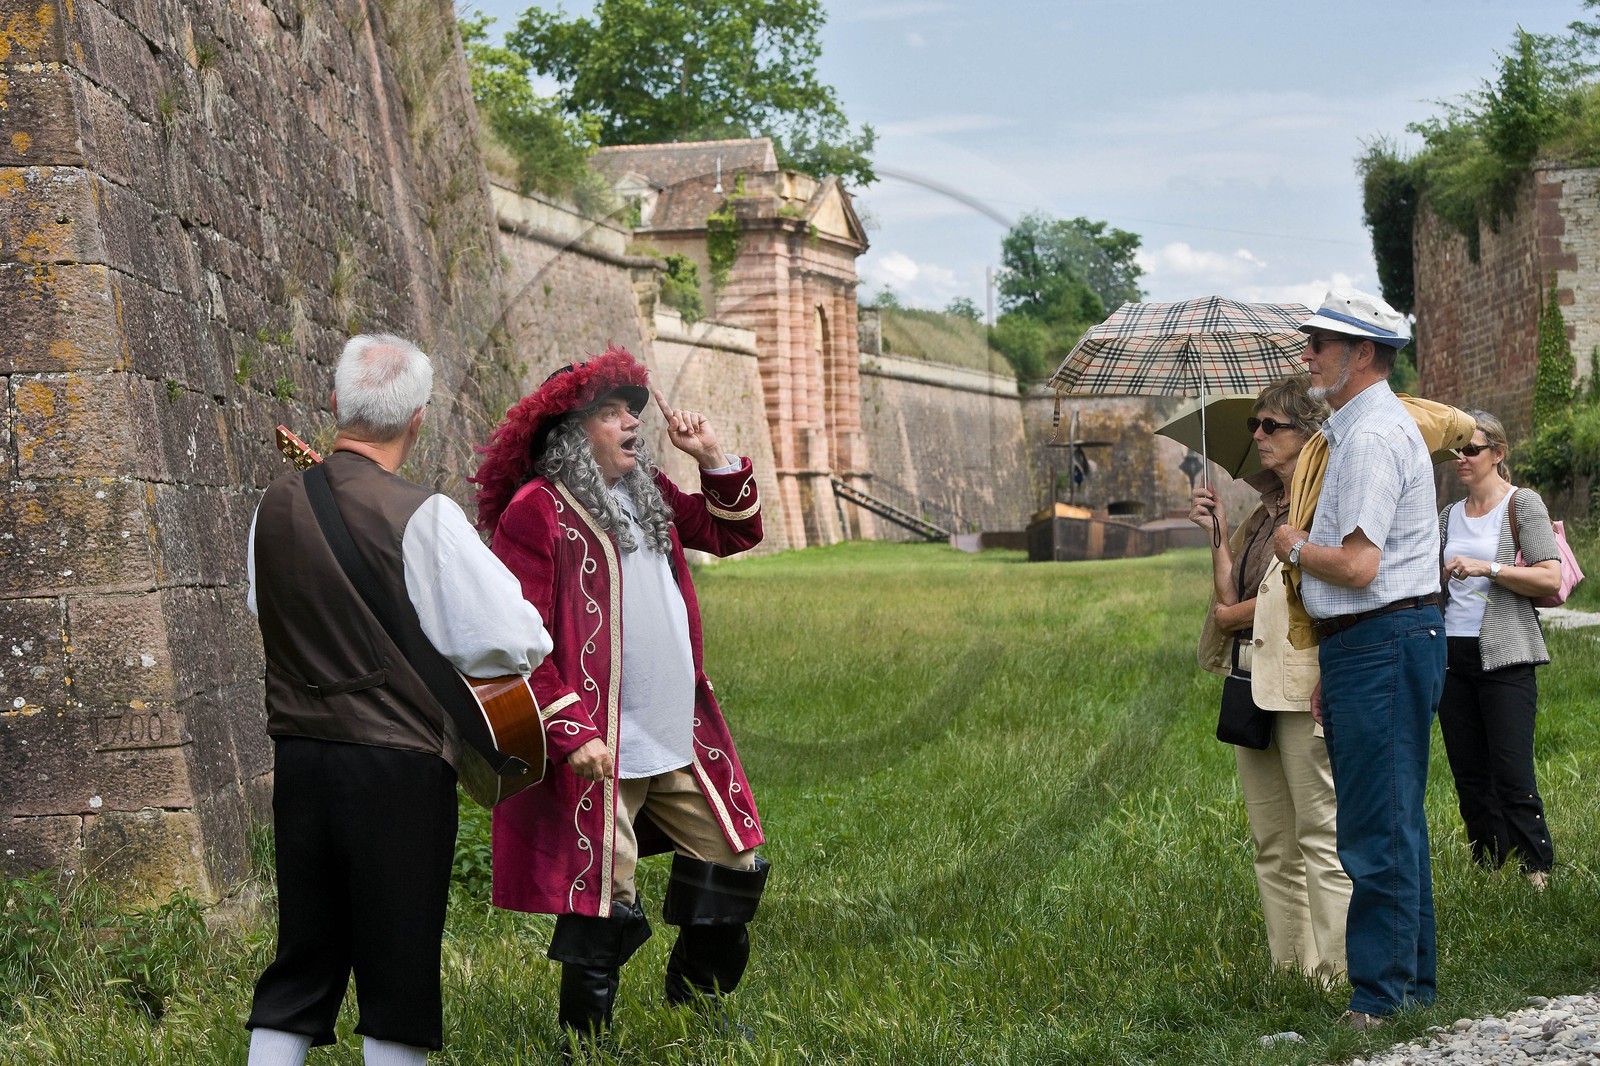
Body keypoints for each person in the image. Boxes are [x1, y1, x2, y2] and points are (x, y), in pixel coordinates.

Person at [244, 334, 554, 1066]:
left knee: (303, 960)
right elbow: (515, 641)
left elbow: (267, 607)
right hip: (397, 768)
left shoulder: (273, 507)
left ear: (334, 405)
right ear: (418, 419)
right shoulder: (427, 516)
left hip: (302, 757)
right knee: (397, 967)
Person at [471, 345, 768, 1053]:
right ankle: (587, 1046)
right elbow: (513, 641)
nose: (631, 422)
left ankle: (697, 1007)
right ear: (572, 433)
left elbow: (735, 532)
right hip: (602, 748)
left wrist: (712, 454)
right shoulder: (534, 513)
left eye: (632, 411)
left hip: (678, 733)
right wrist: (571, 731)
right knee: (603, 900)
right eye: (610, 413)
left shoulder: (652, 492)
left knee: (734, 869)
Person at [1271, 289, 1447, 1029]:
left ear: (1363, 353)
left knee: (1375, 826)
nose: (1306, 354)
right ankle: (1409, 989)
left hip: (1383, 637)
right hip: (1371, 646)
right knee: (1391, 818)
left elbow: (1357, 566)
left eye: (1320, 343)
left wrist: (1291, 546)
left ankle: (1379, 1000)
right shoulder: (1358, 432)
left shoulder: (1372, 436)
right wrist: (1332, 665)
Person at [1191, 376, 1350, 983]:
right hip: (1250, 678)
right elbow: (1227, 601)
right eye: (1255, 424)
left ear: (1308, 435)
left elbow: (1319, 589)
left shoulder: (1326, 508)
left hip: (1302, 677)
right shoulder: (1261, 517)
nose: (1256, 435)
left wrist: (1234, 615)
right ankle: (1291, 970)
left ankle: (1335, 971)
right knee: (1271, 840)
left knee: (1321, 832)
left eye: (1270, 425)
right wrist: (1215, 537)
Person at [1437, 410, 1562, 889]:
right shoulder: (1447, 515)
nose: (1462, 458)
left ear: (1498, 454)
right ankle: (1489, 865)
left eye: (1472, 448)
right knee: (1469, 774)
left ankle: (1537, 869)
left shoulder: (1521, 504)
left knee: (1510, 770)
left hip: (1507, 652)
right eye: (1457, 449)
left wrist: (1488, 568)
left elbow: (1549, 575)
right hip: (1451, 653)